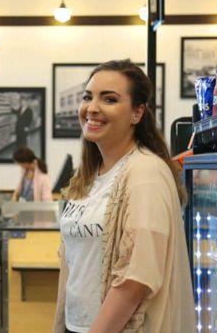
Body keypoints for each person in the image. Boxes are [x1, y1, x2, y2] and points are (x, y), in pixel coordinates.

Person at [53, 60, 195, 333]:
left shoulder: (146, 173)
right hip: (77, 325)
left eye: (109, 99)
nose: (92, 108)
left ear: (136, 113)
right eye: (88, 97)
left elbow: (136, 279)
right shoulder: (89, 175)